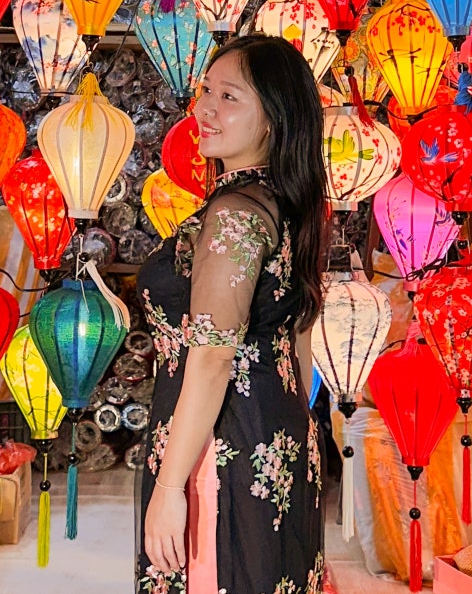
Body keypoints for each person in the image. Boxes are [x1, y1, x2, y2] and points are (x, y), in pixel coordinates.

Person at [136, 34, 329, 594]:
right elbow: (298, 341)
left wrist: (170, 487)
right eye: (205, 91)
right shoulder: (285, 203)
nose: (205, 110)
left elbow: (213, 358)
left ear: (272, 119)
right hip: (277, 437)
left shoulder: (235, 215)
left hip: (222, 448)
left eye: (229, 96)